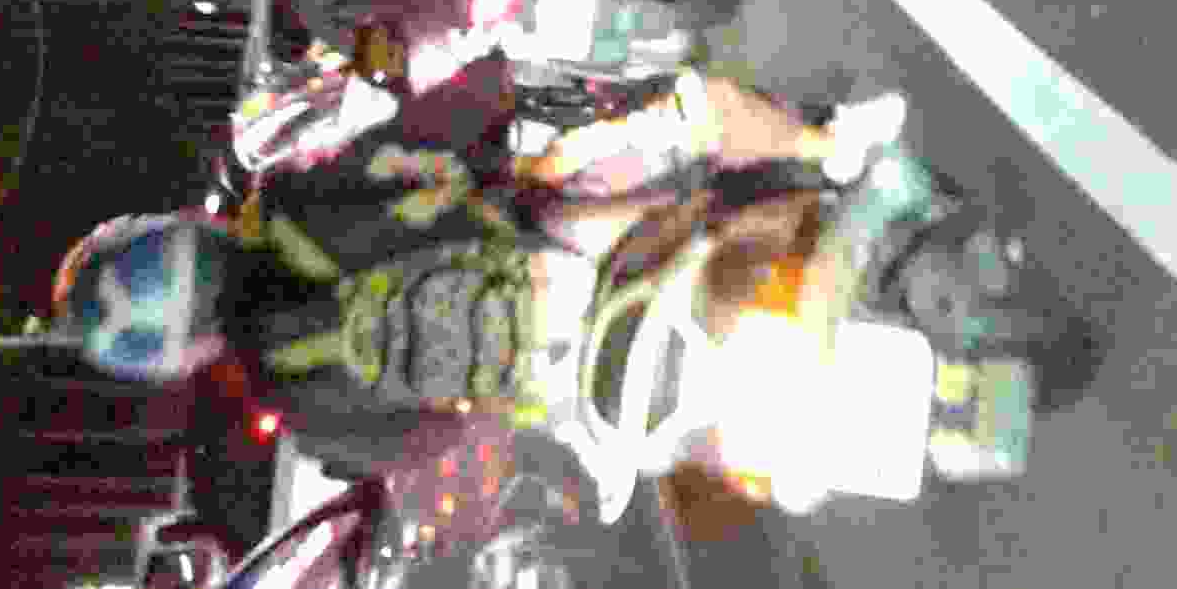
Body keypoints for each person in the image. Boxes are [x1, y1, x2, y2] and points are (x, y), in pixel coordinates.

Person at [55, 74, 880, 473]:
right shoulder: (292, 205)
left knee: (693, 451)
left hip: (570, 392)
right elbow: (419, 143)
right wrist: (487, 88)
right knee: (689, 113)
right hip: (552, 256)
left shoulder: (301, 416)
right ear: (178, 237)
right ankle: (830, 150)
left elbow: (435, 444)